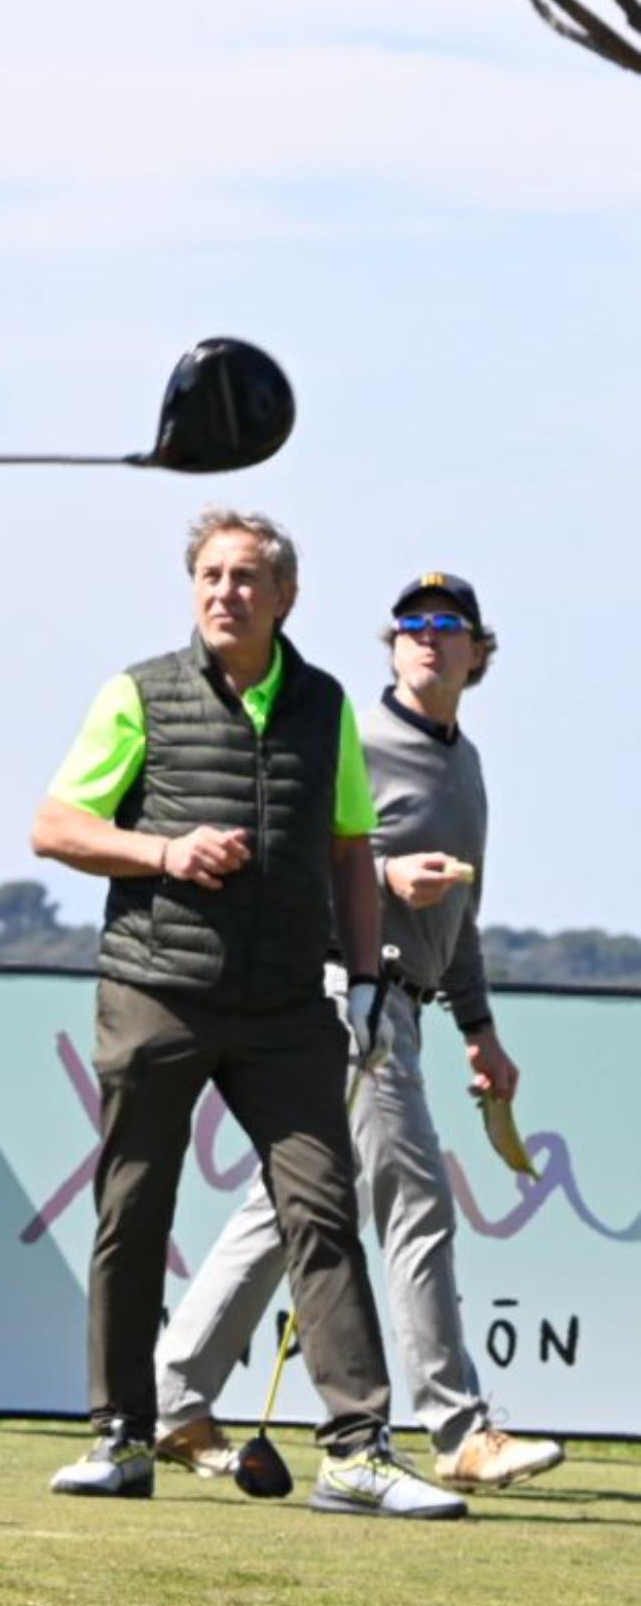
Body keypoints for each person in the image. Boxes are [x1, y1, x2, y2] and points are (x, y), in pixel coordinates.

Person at [29, 507, 465, 1519]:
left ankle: (357, 1450)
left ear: (284, 597)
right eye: (210, 575)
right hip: (156, 991)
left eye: (245, 577)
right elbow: (55, 825)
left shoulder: (326, 705)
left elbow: (351, 847)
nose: (225, 591)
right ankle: (122, 1436)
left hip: (287, 1006)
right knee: (133, 1212)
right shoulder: (139, 692)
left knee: (323, 1209)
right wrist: (164, 852)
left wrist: (367, 980)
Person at [154, 572, 565, 1493]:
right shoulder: (360, 737)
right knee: (417, 1203)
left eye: (446, 624)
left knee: (286, 1207)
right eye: (410, 624)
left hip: (405, 1004)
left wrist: (480, 1027)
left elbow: (461, 915)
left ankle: (173, 1393)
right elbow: (296, 851)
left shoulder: (466, 763)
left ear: (476, 652)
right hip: (350, 996)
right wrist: (386, 876)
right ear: (395, 643)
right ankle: (458, 1428)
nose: (426, 636)